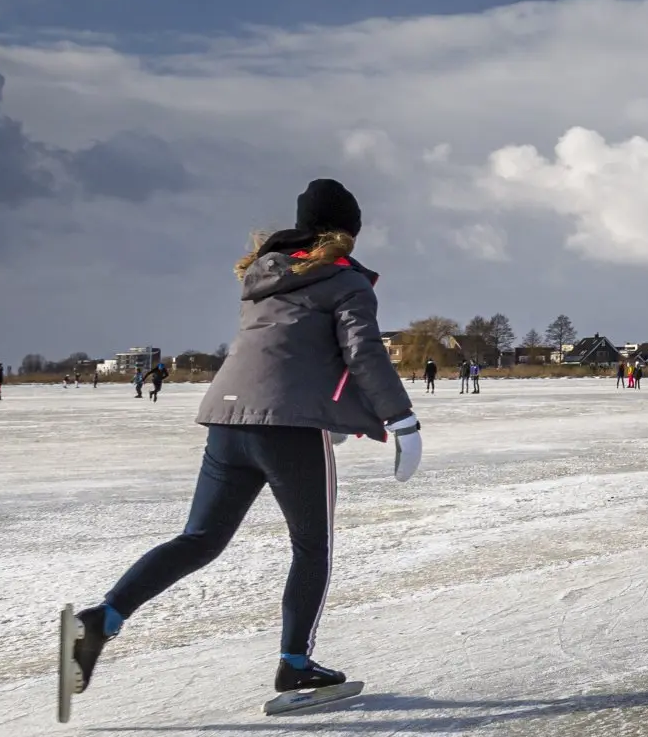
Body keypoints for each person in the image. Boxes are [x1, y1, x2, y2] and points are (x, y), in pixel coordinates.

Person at [66, 178, 421, 708]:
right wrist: (402, 420)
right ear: (348, 230)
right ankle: (296, 667)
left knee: (199, 539)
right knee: (312, 547)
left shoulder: (264, 277)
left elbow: (288, 353)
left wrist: (334, 414)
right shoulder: (345, 281)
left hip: (228, 420)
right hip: (286, 429)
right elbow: (362, 353)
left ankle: (102, 618)